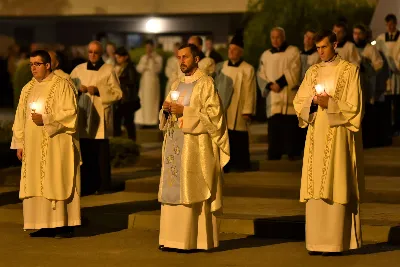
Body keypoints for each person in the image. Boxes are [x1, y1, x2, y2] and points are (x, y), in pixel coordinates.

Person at [293, 30, 364, 256]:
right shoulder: (312, 72)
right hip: (316, 135)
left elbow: (354, 107)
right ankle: (316, 242)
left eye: (324, 47)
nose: (320, 52)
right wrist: (314, 103)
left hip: (338, 136)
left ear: (335, 44)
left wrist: (330, 103)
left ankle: (336, 242)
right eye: (317, 48)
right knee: (316, 188)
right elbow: (299, 102)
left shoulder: (350, 71)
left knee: (337, 183)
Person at [158, 43, 230, 252]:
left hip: (194, 148)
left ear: (196, 59)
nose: (181, 61)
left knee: (192, 190)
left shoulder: (206, 83)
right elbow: (168, 116)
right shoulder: (176, 84)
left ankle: (192, 241)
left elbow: (215, 117)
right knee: (173, 191)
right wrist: (165, 111)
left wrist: (185, 112)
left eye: (186, 57)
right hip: (174, 145)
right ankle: (171, 239)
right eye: (179, 57)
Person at [11, 50, 81, 238]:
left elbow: (71, 113)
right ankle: (43, 224)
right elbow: (20, 118)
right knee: (36, 182)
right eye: (31, 64)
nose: (33, 68)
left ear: (48, 65)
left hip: (55, 144)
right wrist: (19, 143)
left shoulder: (62, 85)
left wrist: (46, 119)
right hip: (33, 146)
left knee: (55, 180)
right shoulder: (28, 88)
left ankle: (62, 224)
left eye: (37, 64)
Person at [70, 41, 122, 195]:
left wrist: (99, 90)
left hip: (100, 116)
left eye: (96, 52)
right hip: (84, 114)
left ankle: (103, 185)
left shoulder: (108, 69)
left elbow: (118, 93)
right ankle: (87, 185)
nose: (92, 55)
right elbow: (68, 86)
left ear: (101, 54)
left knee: (100, 153)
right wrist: (78, 88)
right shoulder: (78, 70)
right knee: (86, 152)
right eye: (90, 52)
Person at [257, 27, 302, 160]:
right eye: (273, 37)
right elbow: (261, 74)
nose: (275, 40)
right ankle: (274, 152)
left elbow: (295, 69)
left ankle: (292, 152)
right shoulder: (265, 55)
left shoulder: (293, 51)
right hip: (273, 96)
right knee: (274, 127)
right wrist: (270, 85)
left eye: (278, 37)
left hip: (287, 94)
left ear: (283, 37)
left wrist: (280, 83)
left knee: (289, 127)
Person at [214, 30, 256, 172]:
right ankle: (225, 164)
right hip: (223, 107)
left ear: (240, 52)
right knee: (224, 136)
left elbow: (250, 91)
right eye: (230, 49)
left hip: (239, 109)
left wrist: (248, 110)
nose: (231, 52)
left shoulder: (248, 69)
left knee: (238, 137)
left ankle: (241, 164)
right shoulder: (221, 67)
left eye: (235, 50)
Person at [353, 24, 384, 148]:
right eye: (354, 33)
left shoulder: (370, 49)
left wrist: (367, 66)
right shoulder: (351, 48)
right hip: (354, 86)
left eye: (359, 33)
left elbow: (379, 64)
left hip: (367, 84)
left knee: (367, 113)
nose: (356, 36)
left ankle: (368, 140)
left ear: (364, 35)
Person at [376, 13, 400, 136]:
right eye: (388, 25)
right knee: (386, 100)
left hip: (398, 74)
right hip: (386, 74)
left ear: (395, 24)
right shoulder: (381, 38)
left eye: (392, 24)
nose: (390, 27)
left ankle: (397, 127)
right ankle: (387, 127)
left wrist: (395, 64)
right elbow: (377, 53)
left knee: (397, 102)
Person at [113, 47, 140, 141]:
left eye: (119, 57)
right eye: (116, 57)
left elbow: (132, 82)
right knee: (117, 120)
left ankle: (131, 143)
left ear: (125, 57)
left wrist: (120, 80)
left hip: (128, 99)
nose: (118, 59)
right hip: (120, 99)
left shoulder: (130, 68)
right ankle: (118, 141)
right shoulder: (118, 67)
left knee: (128, 122)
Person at [134, 40, 163, 127]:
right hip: (144, 83)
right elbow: (139, 69)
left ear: (153, 47)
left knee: (153, 101)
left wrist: (153, 60)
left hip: (153, 83)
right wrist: (146, 61)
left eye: (150, 47)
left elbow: (158, 69)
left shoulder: (158, 58)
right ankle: (143, 121)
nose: (148, 49)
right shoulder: (143, 57)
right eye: (147, 47)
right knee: (143, 101)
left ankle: (152, 122)